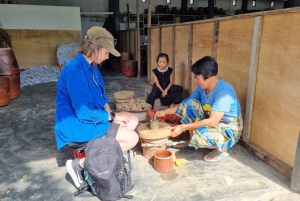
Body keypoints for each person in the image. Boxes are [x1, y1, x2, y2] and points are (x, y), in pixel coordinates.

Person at [54, 26, 139, 188]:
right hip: (76, 125)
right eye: (106, 52)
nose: (107, 57)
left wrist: (111, 113)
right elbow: (84, 112)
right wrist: (113, 118)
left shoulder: (93, 68)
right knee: (132, 138)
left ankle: (106, 158)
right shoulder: (74, 71)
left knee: (132, 120)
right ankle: (80, 165)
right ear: (96, 48)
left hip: (91, 117)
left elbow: (102, 100)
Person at [154, 56, 243, 162]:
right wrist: (164, 112)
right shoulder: (202, 87)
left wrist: (183, 127)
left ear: (209, 75)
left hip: (228, 128)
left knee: (201, 135)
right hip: (212, 120)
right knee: (190, 103)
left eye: (197, 77)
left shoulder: (224, 92)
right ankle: (191, 141)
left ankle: (221, 149)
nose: (196, 81)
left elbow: (213, 121)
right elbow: (185, 104)